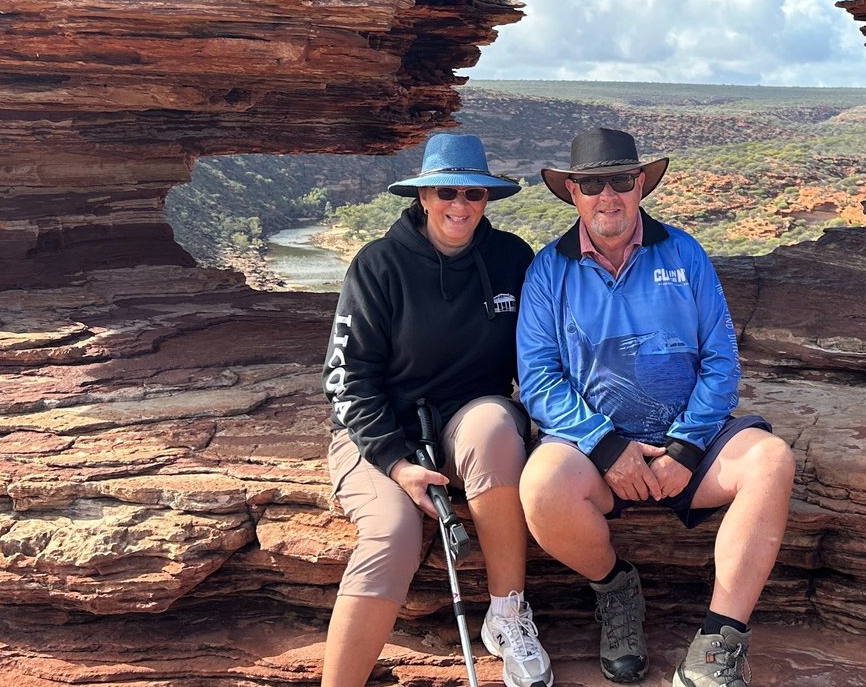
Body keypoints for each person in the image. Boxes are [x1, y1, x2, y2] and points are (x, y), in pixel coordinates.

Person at [516, 128, 796, 687]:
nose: (608, 196)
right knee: (540, 487)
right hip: (594, 450)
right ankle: (616, 590)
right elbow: (538, 377)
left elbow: (720, 361)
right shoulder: (549, 270)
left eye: (621, 180)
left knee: (771, 461)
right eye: (593, 183)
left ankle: (719, 641)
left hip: (691, 444)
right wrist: (607, 445)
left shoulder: (684, 253)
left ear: (640, 184)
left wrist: (686, 449)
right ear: (573, 191)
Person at [321, 132, 552, 687]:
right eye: (447, 191)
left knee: (495, 426)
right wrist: (398, 464)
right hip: (383, 432)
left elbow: (543, 355)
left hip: (471, 420)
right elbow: (346, 378)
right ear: (423, 197)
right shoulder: (378, 266)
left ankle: (508, 615)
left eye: (474, 194)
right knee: (393, 535)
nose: (460, 205)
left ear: (487, 200)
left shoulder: (512, 260)